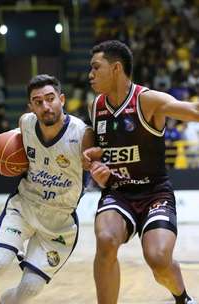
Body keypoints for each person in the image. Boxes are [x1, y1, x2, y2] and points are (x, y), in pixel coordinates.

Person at [0, 74, 95, 304]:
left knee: (29, 288)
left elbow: (96, 162)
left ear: (62, 99)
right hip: (25, 207)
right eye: (38, 102)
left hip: (59, 221)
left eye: (50, 99)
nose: (45, 106)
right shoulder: (26, 122)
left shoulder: (82, 134)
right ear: (31, 106)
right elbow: (2, 140)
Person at [82, 40, 199, 304]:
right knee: (106, 239)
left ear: (116, 69)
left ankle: (181, 297)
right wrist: (91, 162)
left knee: (158, 260)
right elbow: (92, 142)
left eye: (95, 68)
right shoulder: (95, 106)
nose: (90, 75)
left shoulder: (147, 101)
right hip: (119, 193)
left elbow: (193, 110)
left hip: (155, 192)